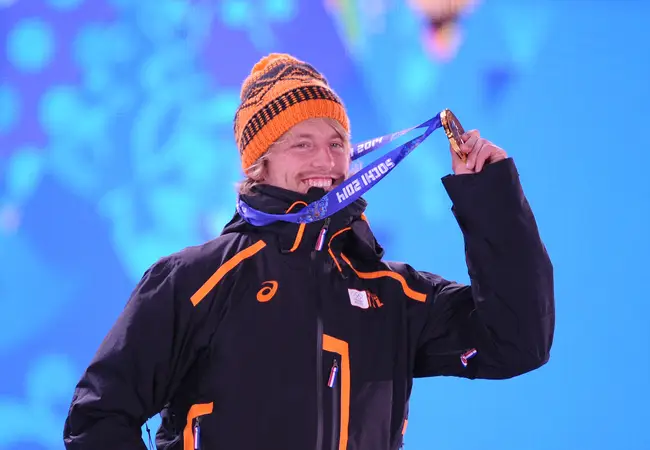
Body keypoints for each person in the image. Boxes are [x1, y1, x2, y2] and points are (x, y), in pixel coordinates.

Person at [63, 53, 555, 450]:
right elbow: (98, 417)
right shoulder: (197, 280)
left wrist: (491, 198)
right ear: (259, 164)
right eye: (302, 144)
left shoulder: (392, 295)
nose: (326, 160)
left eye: (337, 143)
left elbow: (517, 341)